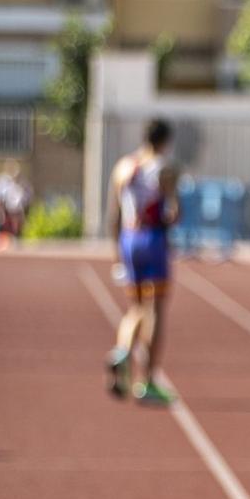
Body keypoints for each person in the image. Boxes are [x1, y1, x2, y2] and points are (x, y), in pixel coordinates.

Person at [106, 118, 180, 405]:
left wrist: (116, 254)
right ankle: (147, 380)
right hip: (153, 240)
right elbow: (173, 212)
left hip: (128, 240)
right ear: (165, 141)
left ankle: (122, 351)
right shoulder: (165, 168)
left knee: (136, 307)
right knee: (157, 309)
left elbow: (114, 214)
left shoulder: (123, 167)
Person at [0, 160, 30, 237]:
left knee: (17, 230)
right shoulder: (1, 181)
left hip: (17, 211)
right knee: (4, 232)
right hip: (5, 211)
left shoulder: (21, 182)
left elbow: (25, 198)